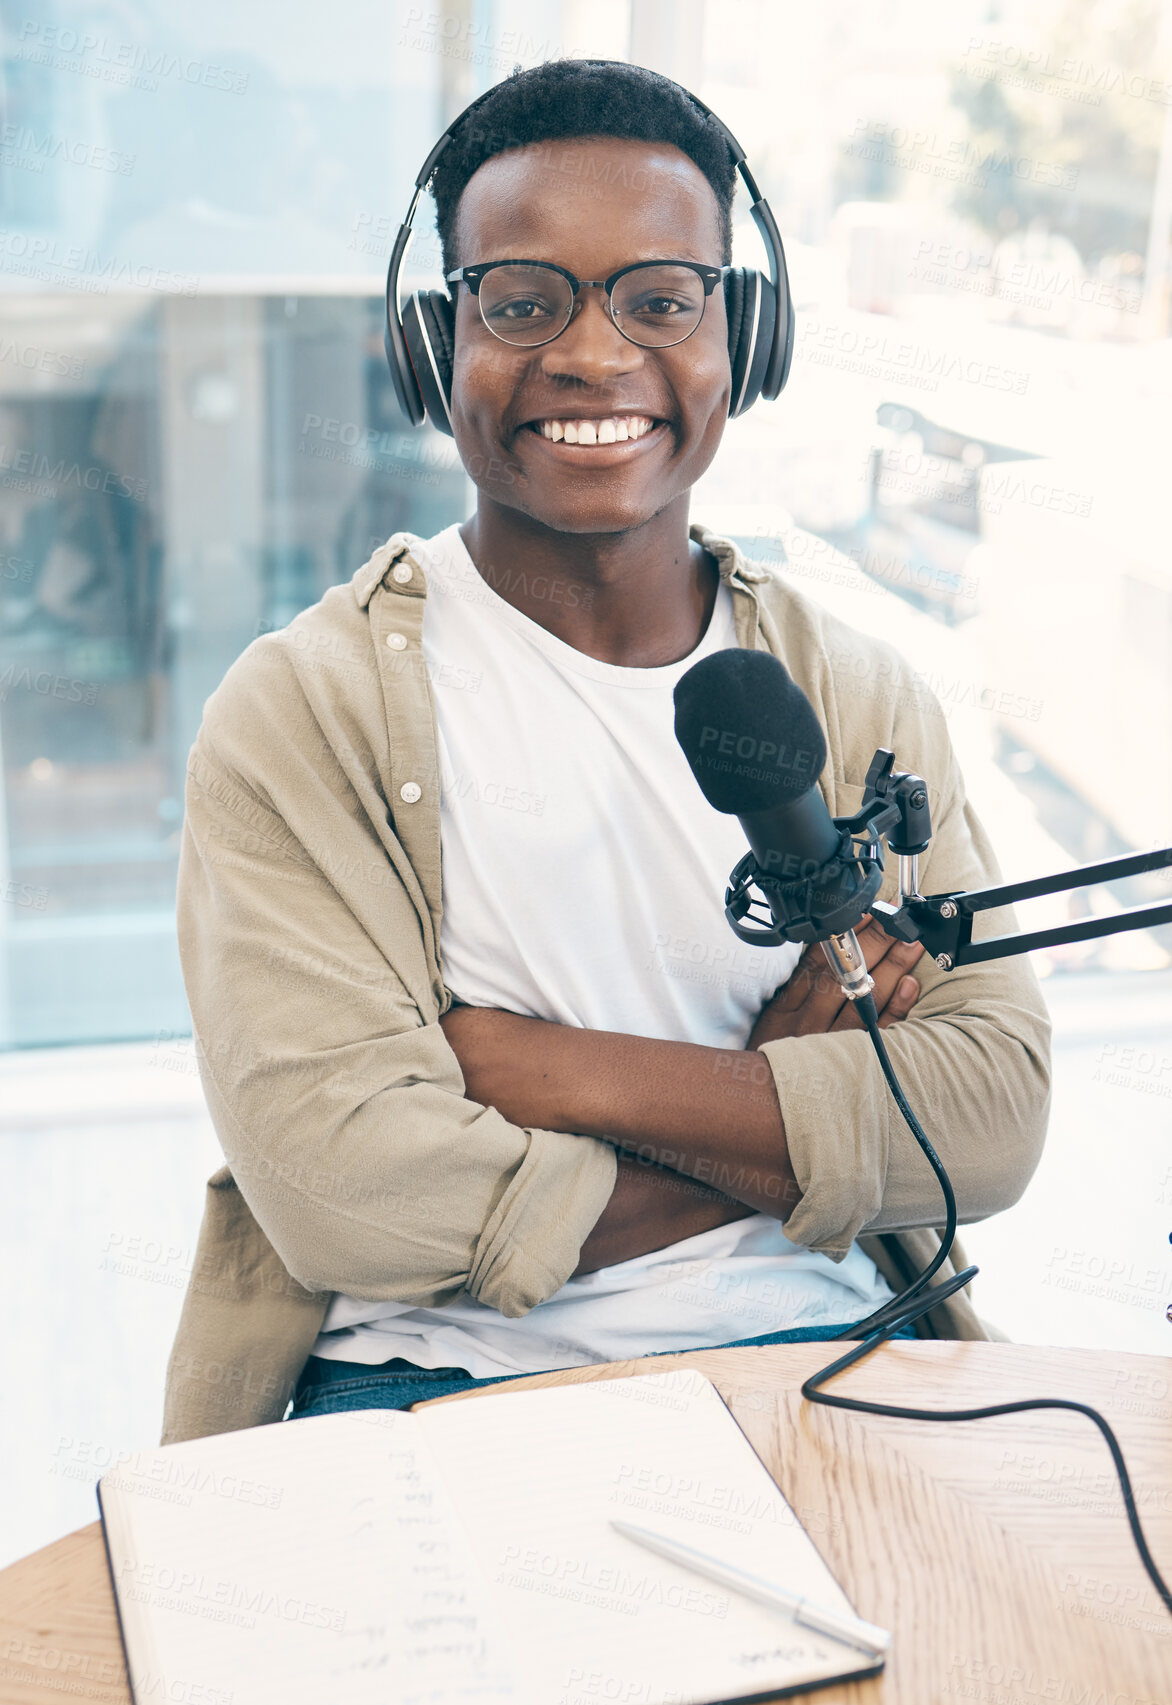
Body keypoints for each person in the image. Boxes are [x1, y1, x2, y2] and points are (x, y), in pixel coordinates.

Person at [161, 61, 1050, 1444]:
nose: (590, 353)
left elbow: (991, 1119)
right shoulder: (302, 712)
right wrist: (789, 1109)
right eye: (520, 300)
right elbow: (347, 1191)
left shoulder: (856, 687)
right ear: (429, 344)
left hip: (828, 1350)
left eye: (660, 297)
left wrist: (545, 1067)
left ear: (743, 337)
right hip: (427, 1383)